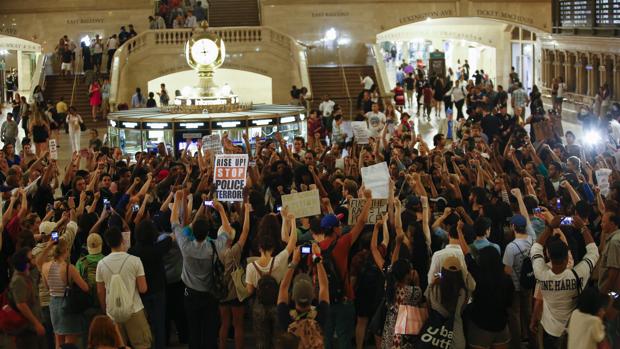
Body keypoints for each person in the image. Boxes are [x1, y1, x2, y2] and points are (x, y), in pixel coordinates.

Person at [171, 192, 233, 349]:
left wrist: (177, 200)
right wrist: (221, 210)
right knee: (210, 329)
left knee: (194, 328)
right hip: (210, 293)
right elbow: (227, 231)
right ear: (207, 233)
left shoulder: (185, 245)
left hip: (190, 293)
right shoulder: (214, 247)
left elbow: (174, 223)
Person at [531, 211, 599, 348]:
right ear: (567, 258)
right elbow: (593, 252)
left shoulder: (541, 274)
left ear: (548, 255)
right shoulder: (577, 275)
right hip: (573, 329)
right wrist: (583, 228)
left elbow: (536, 248)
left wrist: (550, 227)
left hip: (550, 330)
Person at [96, 227, 152, 349]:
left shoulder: (101, 264)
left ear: (107, 243)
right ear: (122, 240)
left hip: (113, 313)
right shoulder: (135, 261)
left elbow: (100, 291)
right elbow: (143, 288)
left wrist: (106, 309)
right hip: (134, 310)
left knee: (117, 345)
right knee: (142, 344)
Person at [41, 239, 90, 348]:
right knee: (70, 341)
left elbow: (47, 287)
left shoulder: (45, 267)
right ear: (66, 250)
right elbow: (85, 288)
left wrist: (48, 246)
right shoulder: (69, 268)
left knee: (58, 340)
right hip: (67, 304)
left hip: (53, 304)